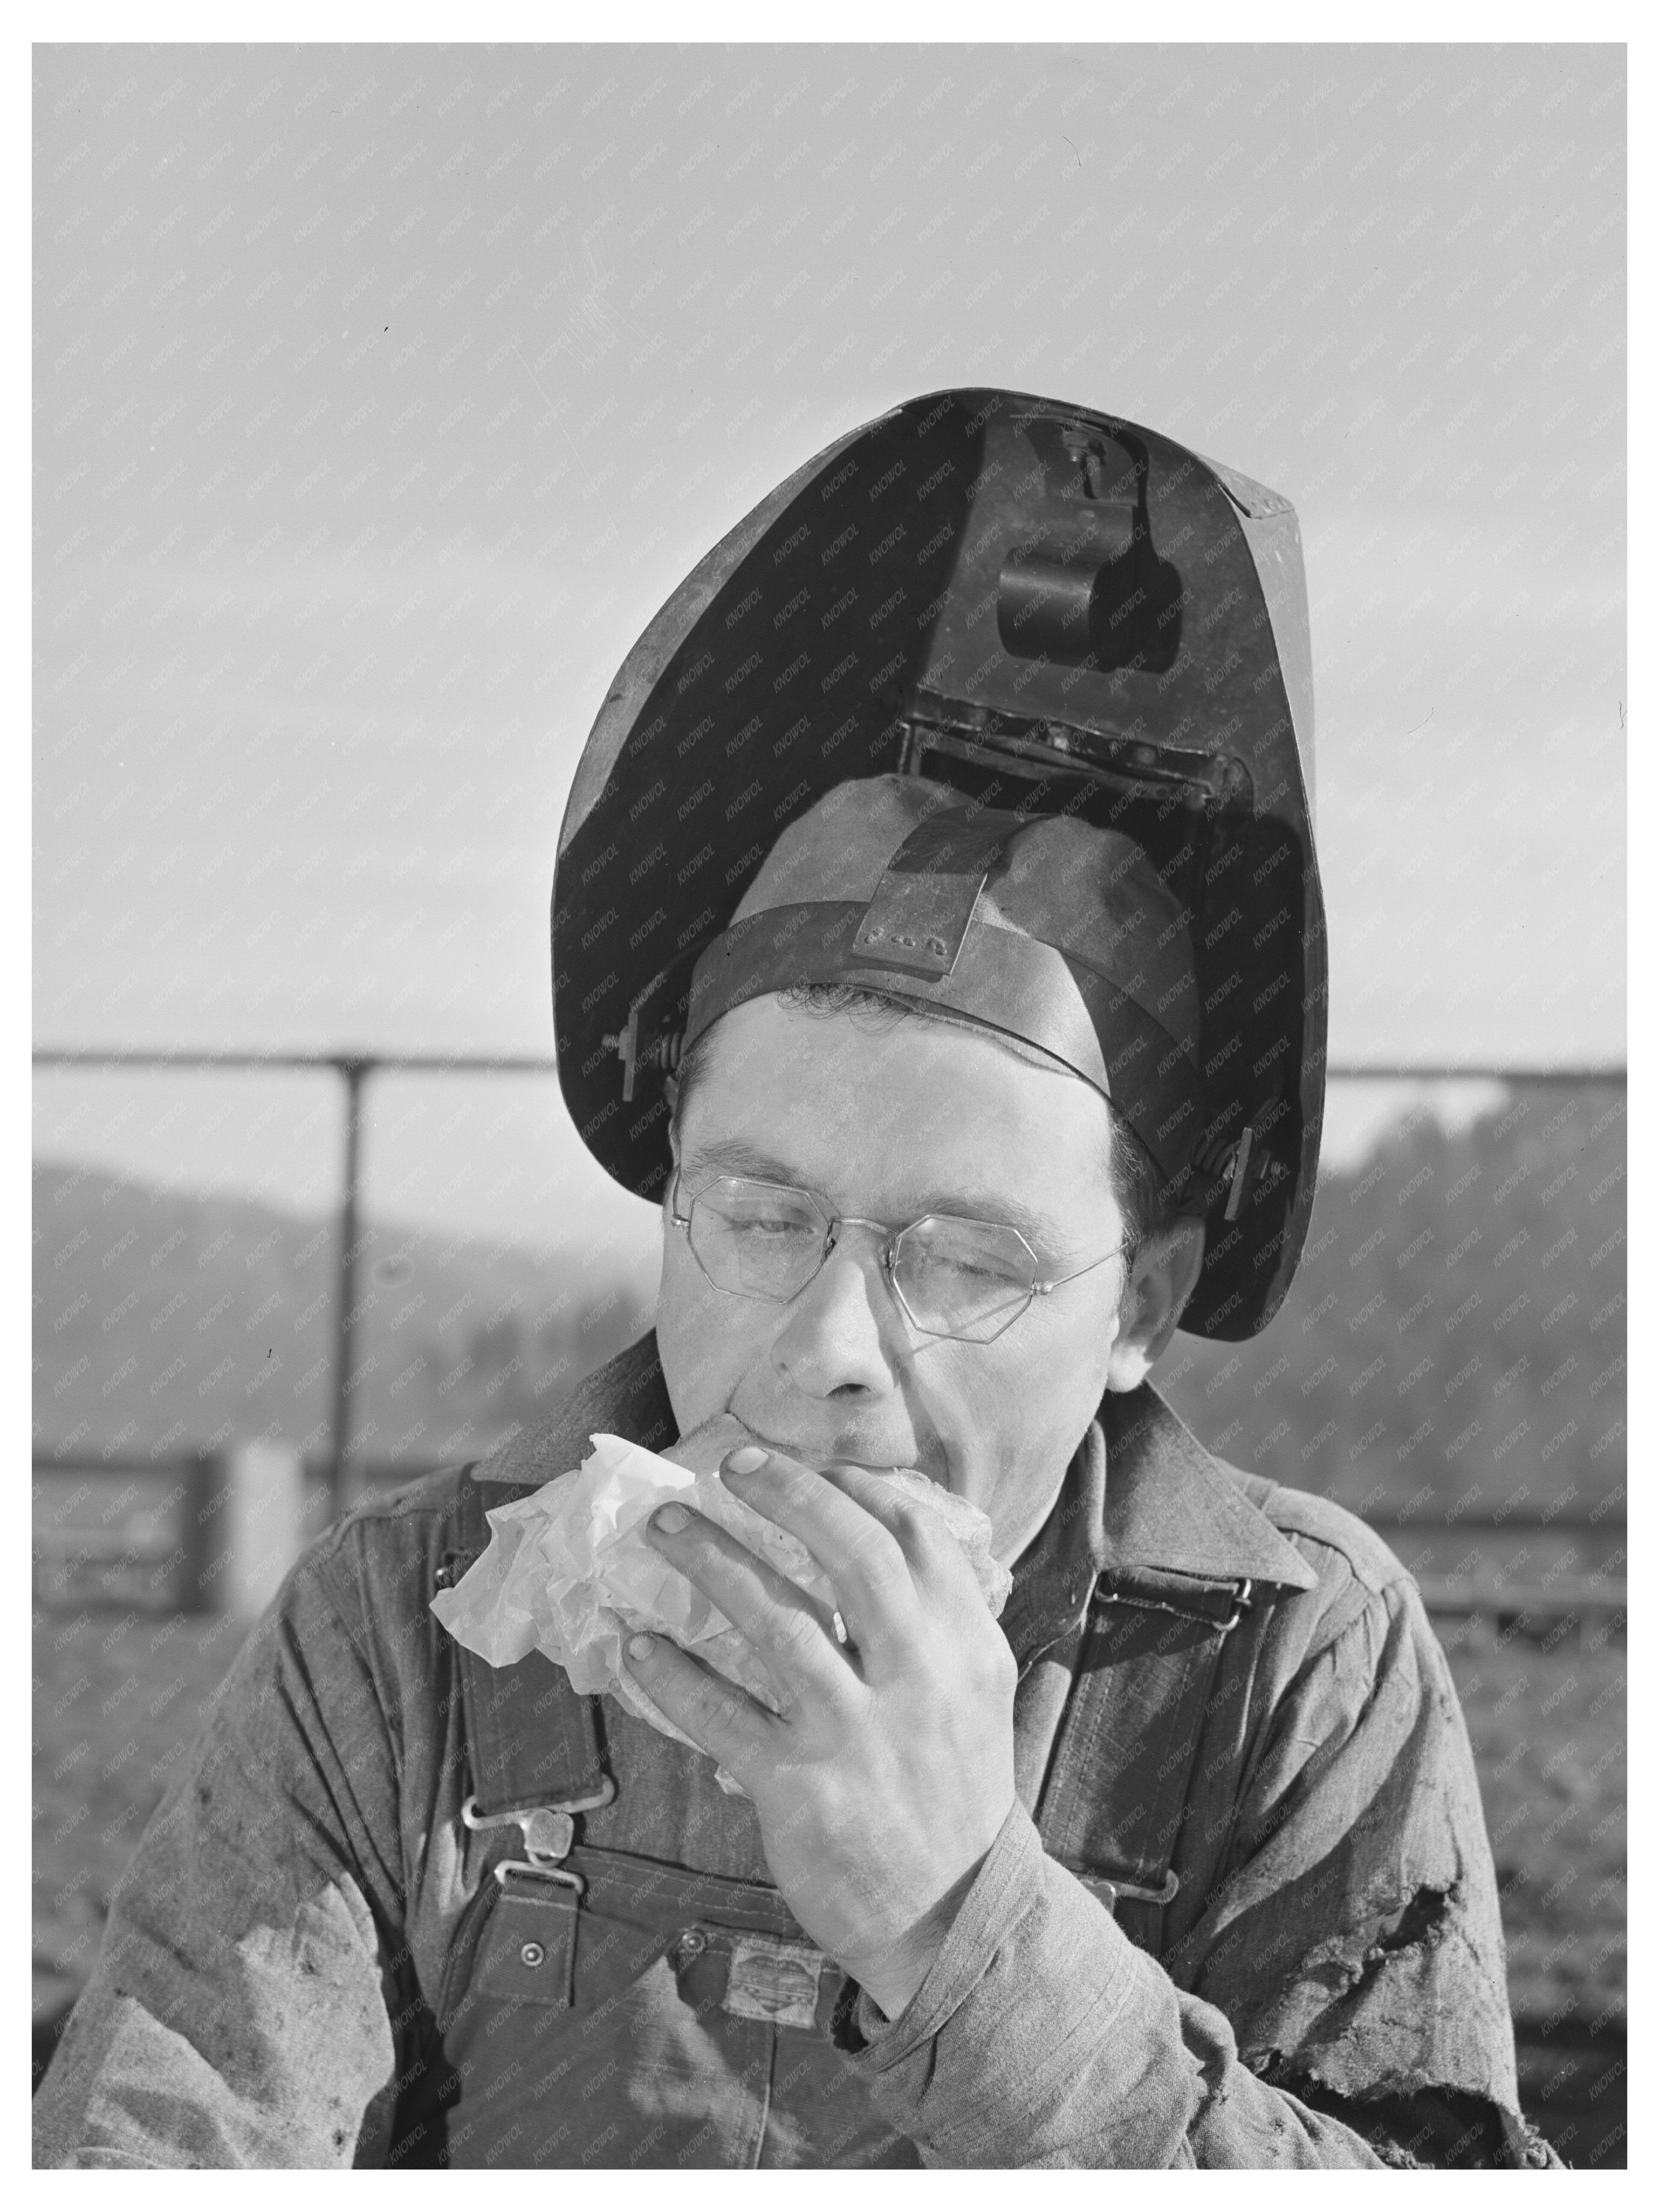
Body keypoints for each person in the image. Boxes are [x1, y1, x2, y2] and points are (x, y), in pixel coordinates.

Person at [34, 389, 1556, 2168]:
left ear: (1140, 1302)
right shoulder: (402, 1644)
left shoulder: (1297, 1667)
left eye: (967, 1259)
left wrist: (960, 1930)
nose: (827, 1347)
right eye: (760, 1220)